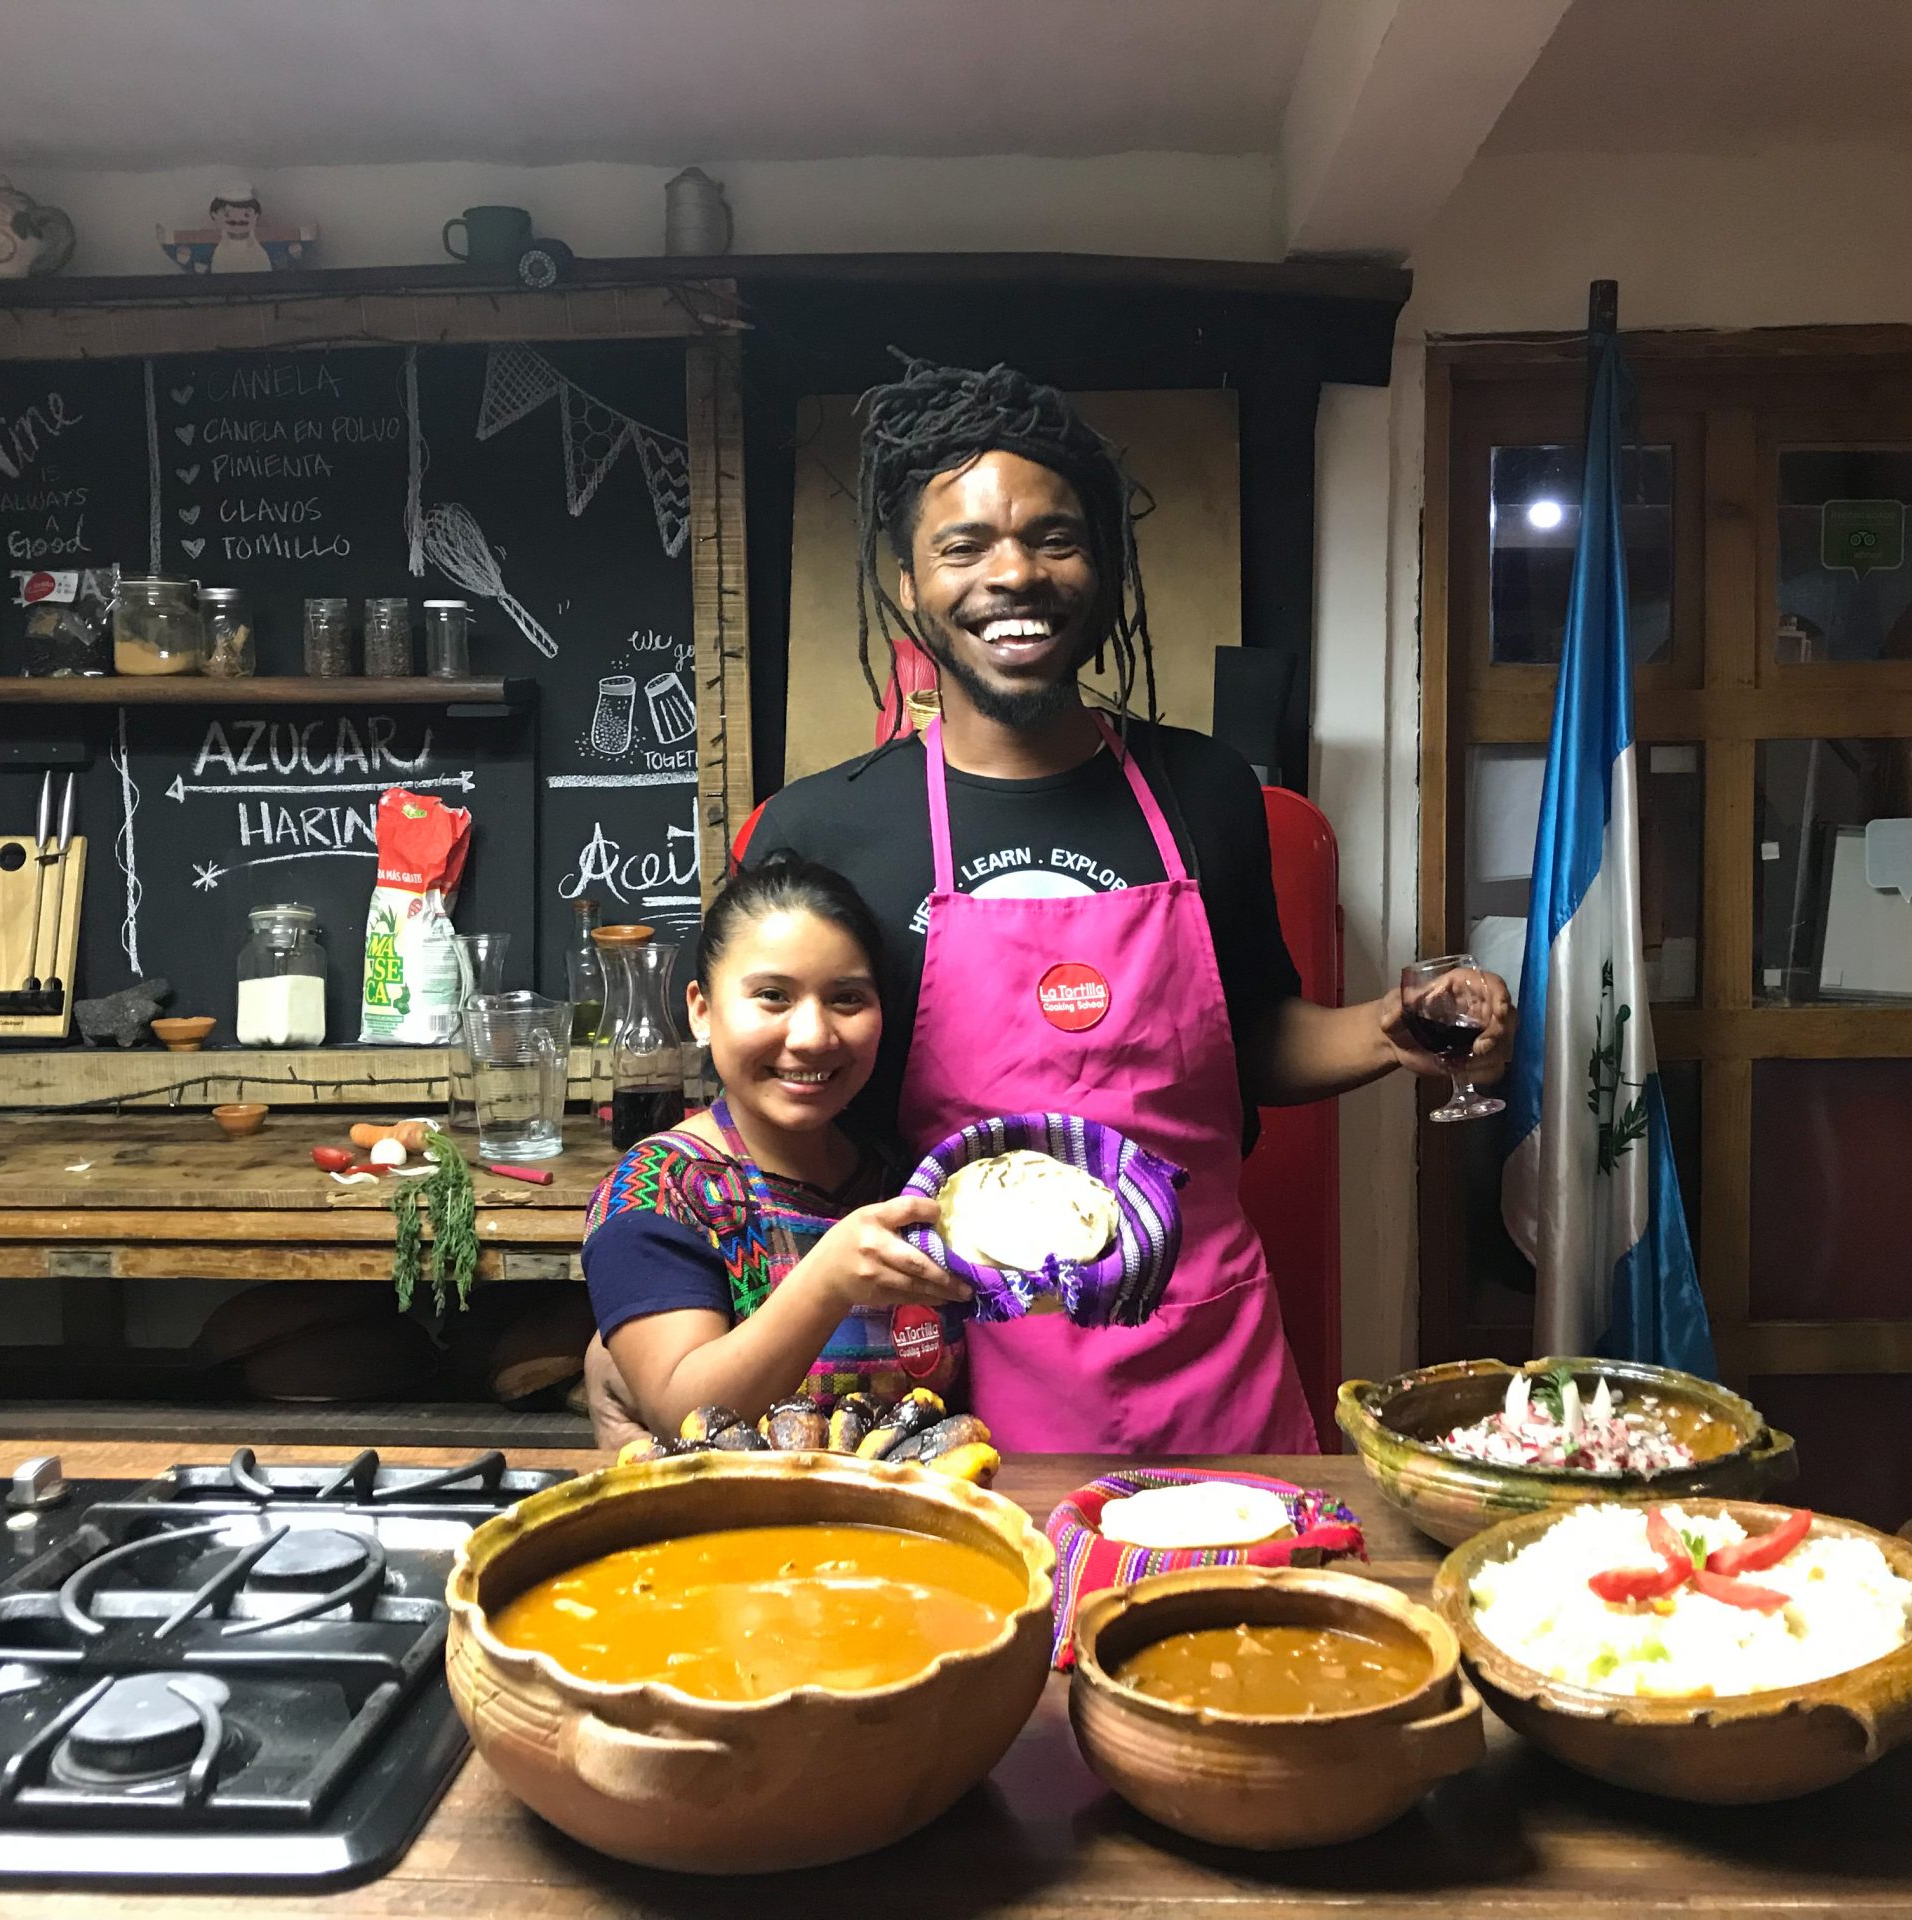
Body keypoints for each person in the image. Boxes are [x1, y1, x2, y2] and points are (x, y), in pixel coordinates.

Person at [743, 358, 1513, 1455]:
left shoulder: (1205, 791)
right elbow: (762, 1102)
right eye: (963, 547)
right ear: (909, 586)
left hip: (1207, 1352)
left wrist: (1389, 1033)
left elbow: (1252, 1037)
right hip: (948, 1375)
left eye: (1053, 538)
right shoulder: (824, 831)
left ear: (1101, 567)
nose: (1014, 574)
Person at [581, 853, 970, 1446]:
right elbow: (681, 1413)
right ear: (702, 1011)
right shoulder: (658, 1190)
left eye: (846, 999)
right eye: (772, 995)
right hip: (740, 1529)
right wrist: (829, 1280)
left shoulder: (902, 1178)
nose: (813, 1036)